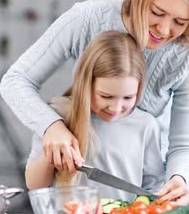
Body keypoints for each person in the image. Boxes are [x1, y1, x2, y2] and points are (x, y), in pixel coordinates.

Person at [0, 0, 189, 206]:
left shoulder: (188, 56)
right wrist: (51, 127)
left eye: (180, 21)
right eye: (156, 12)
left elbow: (186, 143)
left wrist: (180, 179)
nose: (164, 29)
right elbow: (15, 80)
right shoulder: (87, 19)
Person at [25, 31, 165, 200]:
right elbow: (34, 184)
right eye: (106, 96)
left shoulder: (146, 125)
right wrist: (51, 155)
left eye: (128, 97)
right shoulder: (57, 116)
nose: (115, 108)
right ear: (86, 85)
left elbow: (153, 185)